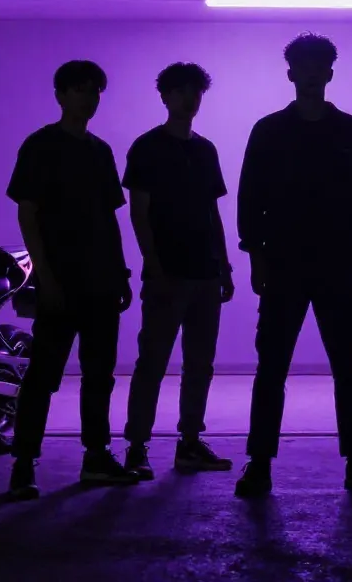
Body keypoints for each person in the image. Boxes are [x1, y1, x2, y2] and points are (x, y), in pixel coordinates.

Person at [233, 33, 352, 498]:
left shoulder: (351, 131)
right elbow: (249, 197)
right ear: (292, 73)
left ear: (329, 73)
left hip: (335, 263)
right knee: (272, 367)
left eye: (319, 65)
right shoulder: (269, 131)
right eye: (305, 65)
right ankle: (260, 463)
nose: (313, 73)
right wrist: (257, 255)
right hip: (284, 262)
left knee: (347, 367)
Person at [6, 59, 140, 499]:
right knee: (44, 374)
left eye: (95, 90)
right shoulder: (40, 145)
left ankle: (96, 456)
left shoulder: (101, 151)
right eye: (80, 89)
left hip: (101, 279)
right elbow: (28, 214)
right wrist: (45, 276)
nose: (89, 98)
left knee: (99, 374)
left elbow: (109, 217)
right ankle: (24, 462)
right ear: (60, 95)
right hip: (61, 279)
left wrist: (120, 273)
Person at [121, 62, 235, 479]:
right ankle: (137, 446)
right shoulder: (147, 147)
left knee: (200, 363)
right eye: (182, 91)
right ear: (165, 96)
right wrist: (153, 264)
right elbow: (139, 212)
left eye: (196, 91)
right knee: (152, 361)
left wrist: (224, 265)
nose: (190, 99)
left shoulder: (206, 150)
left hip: (205, 271)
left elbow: (212, 211)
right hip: (167, 272)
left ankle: (189, 442)